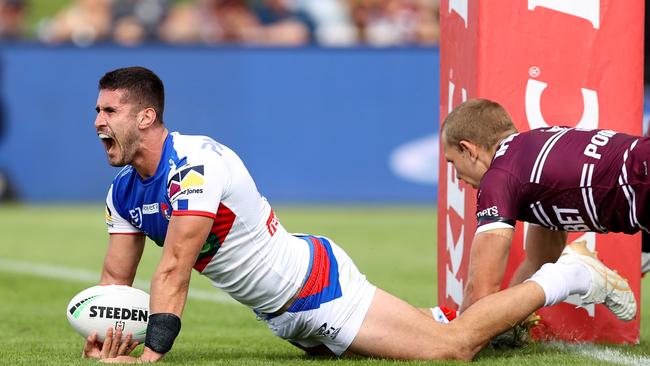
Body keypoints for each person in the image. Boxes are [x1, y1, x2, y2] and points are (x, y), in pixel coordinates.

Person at [85, 67, 635, 363]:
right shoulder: (123, 192)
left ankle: (573, 272)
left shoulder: (195, 164)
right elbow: (116, 280)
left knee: (454, 350)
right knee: (437, 333)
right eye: (96, 110)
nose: (98, 122)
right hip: (285, 312)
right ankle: (440, 317)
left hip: (314, 287)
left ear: (147, 115)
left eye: (110, 110)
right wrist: (108, 333)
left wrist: (153, 351)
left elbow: (175, 267)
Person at [441, 98, 647, 313]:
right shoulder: (534, 155)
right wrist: (510, 324)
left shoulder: (500, 178)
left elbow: (480, 292)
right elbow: (541, 261)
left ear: (468, 150)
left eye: (452, 161)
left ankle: (582, 272)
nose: (457, 175)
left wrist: (455, 333)